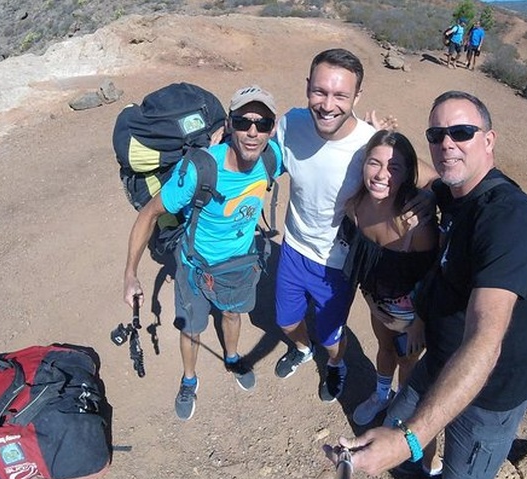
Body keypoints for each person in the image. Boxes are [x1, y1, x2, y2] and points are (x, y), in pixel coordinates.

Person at [330, 91, 527, 479]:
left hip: (494, 386)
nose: (448, 143)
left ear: (489, 140)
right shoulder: (453, 193)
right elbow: (420, 175)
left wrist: (407, 440)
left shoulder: (509, 218)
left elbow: (487, 339)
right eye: (437, 134)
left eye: (462, 132)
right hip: (443, 357)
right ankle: (419, 467)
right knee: (399, 422)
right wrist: (375, 136)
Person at [122, 85, 283, 421]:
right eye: (243, 121)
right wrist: (130, 274)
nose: (252, 132)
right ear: (229, 123)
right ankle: (189, 378)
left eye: (262, 123)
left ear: (272, 127)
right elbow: (149, 213)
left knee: (232, 315)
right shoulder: (201, 170)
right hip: (194, 268)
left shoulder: (273, 157)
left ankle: (233, 356)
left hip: (238, 266)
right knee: (191, 329)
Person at [271, 48, 381, 403]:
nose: (328, 104)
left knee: (332, 336)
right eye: (320, 91)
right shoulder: (291, 124)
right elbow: (262, 158)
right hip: (293, 247)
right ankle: (303, 350)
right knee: (287, 322)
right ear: (307, 88)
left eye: (340, 95)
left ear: (357, 97)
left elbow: (410, 183)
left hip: (336, 263)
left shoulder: (369, 146)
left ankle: (336, 365)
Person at [339, 129, 437, 428]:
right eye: (374, 163)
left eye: (394, 167)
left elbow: (434, 276)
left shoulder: (416, 226)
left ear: (408, 175)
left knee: (407, 361)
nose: (382, 174)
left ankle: (401, 411)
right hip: (378, 305)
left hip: (413, 317)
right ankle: (382, 394)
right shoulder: (354, 208)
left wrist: (420, 321)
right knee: (383, 348)